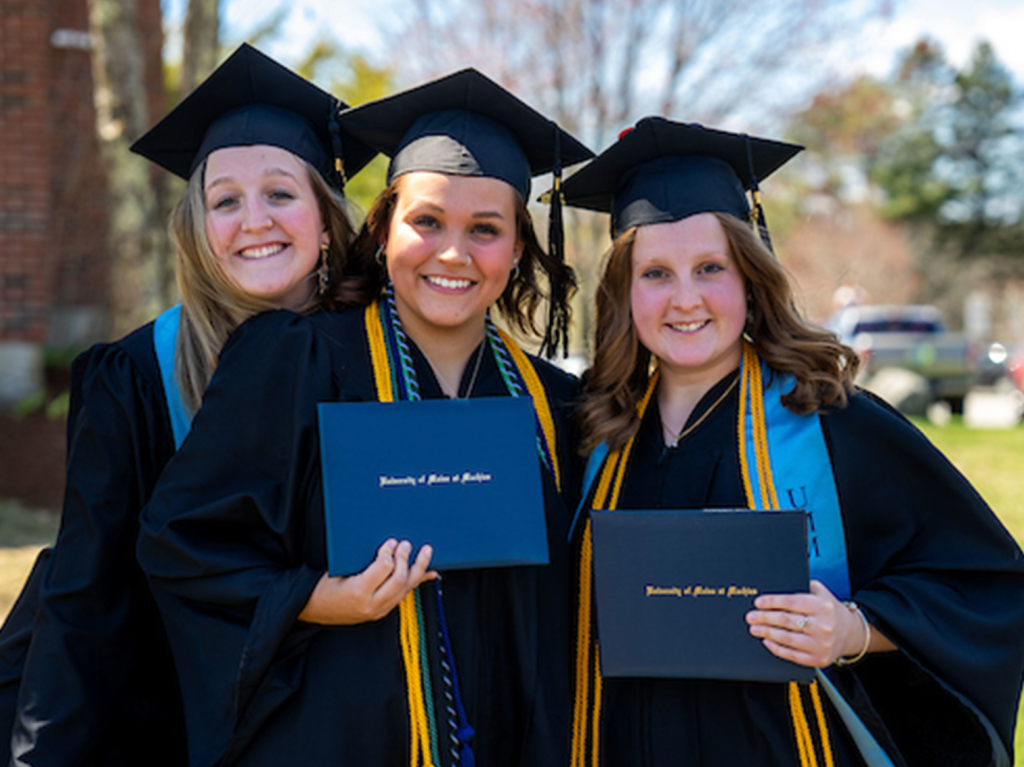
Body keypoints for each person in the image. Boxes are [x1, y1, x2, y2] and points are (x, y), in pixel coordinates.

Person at [136, 68, 593, 767]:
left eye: (486, 229)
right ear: (382, 231)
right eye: (427, 221)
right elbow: (182, 540)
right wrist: (319, 597)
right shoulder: (296, 361)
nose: (453, 253)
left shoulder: (557, 406)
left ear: (519, 250)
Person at [561, 116, 1024, 767]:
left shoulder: (833, 421)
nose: (685, 297)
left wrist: (851, 628)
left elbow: (979, 581)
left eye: (710, 267)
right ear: (623, 292)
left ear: (750, 278)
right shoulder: (591, 434)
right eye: (656, 273)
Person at [0, 43, 374, 766]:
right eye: (224, 201)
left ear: (326, 217)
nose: (253, 220)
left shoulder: (378, 360)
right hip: (157, 716)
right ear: (199, 230)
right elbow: (85, 595)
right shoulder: (142, 373)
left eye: (280, 193)